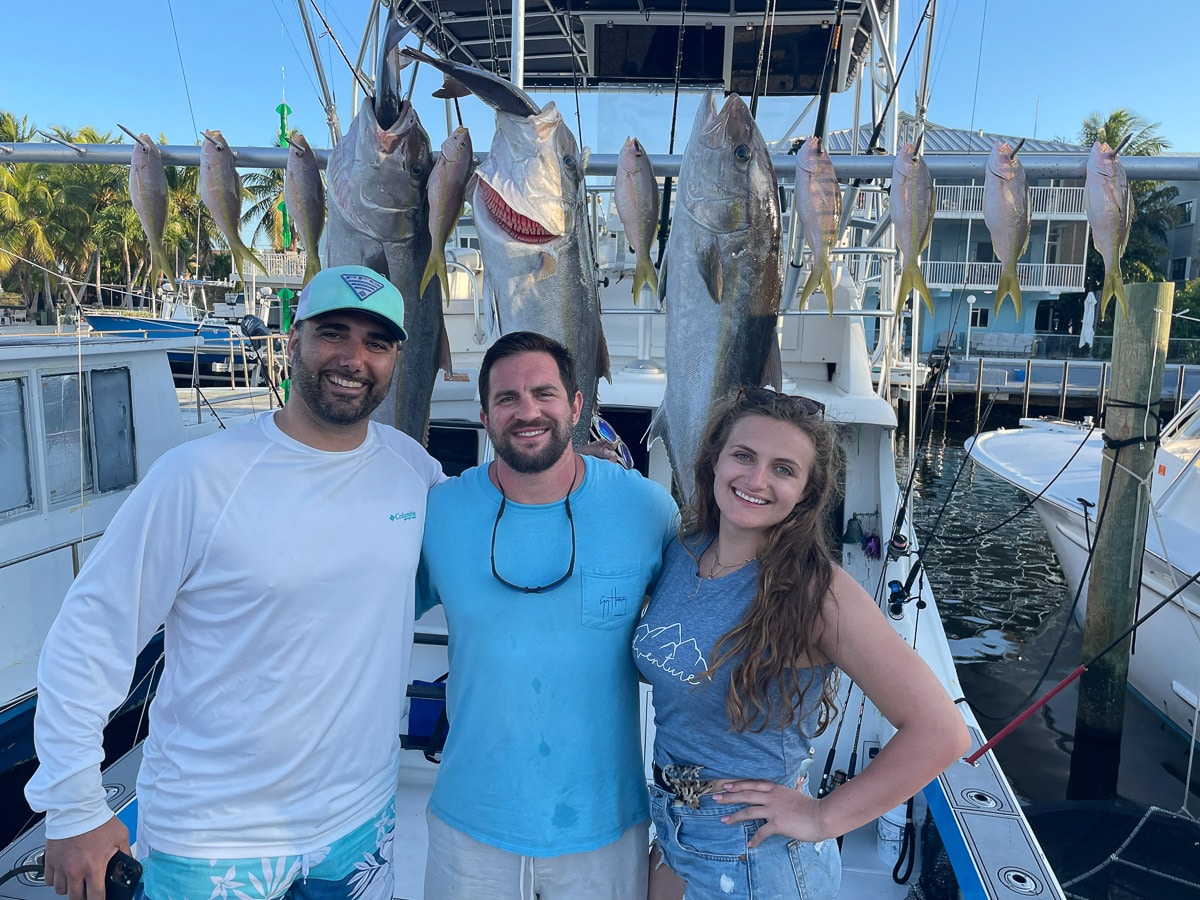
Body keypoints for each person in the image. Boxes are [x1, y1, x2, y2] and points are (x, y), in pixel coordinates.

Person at [26, 265, 445, 900]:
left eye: (376, 343)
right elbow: (92, 633)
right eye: (333, 333)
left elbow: (484, 544)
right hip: (213, 839)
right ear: (294, 336)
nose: (353, 358)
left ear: (394, 358)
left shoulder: (411, 468)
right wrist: (74, 804)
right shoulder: (199, 475)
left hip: (359, 825)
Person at [633, 387, 970, 899]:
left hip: (753, 853)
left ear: (807, 493)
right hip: (675, 829)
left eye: (783, 469)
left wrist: (822, 816)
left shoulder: (818, 592)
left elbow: (941, 732)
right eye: (743, 456)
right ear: (714, 461)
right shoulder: (684, 547)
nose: (756, 479)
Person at [417, 331, 678, 899]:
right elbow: (364, 617)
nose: (527, 410)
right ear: (484, 415)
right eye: (507, 398)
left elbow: (707, 622)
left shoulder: (647, 508)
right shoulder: (440, 511)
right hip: (470, 825)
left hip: (605, 829)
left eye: (544, 392)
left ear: (577, 405)